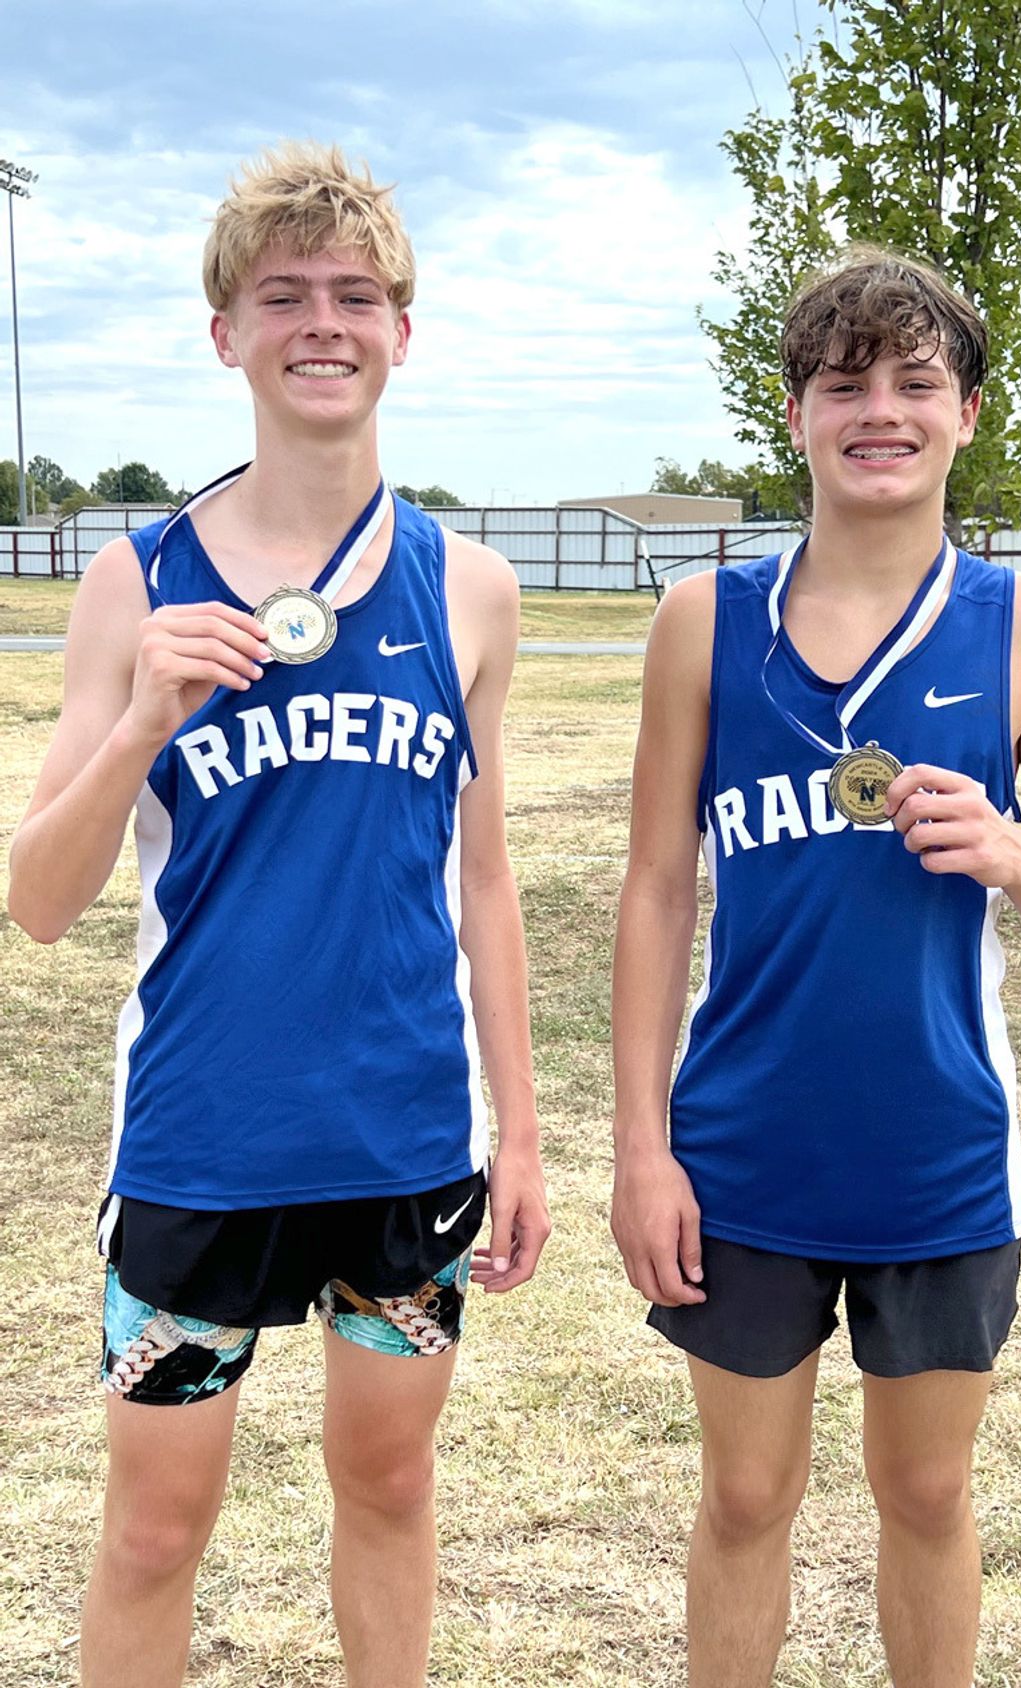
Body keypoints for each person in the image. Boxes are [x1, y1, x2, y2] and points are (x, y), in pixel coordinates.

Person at [8, 142, 549, 1688]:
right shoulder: (138, 581)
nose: (325, 323)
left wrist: (524, 1131)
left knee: (389, 1489)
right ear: (226, 334)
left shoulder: (471, 589)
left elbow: (486, 879)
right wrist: (137, 720)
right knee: (154, 1531)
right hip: (201, 1142)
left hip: (401, 1145)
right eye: (285, 295)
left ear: (401, 332)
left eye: (356, 296)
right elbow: (37, 902)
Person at [610, 247, 1021, 1688]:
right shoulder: (703, 622)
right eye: (846, 384)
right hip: (741, 1154)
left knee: (930, 1497)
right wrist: (640, 1148)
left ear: (967, 413)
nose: (880, 411)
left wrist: (1016, 854)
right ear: (795, 415)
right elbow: (655, 890)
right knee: (745, 1497)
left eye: (916, 382)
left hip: (941, 1154)